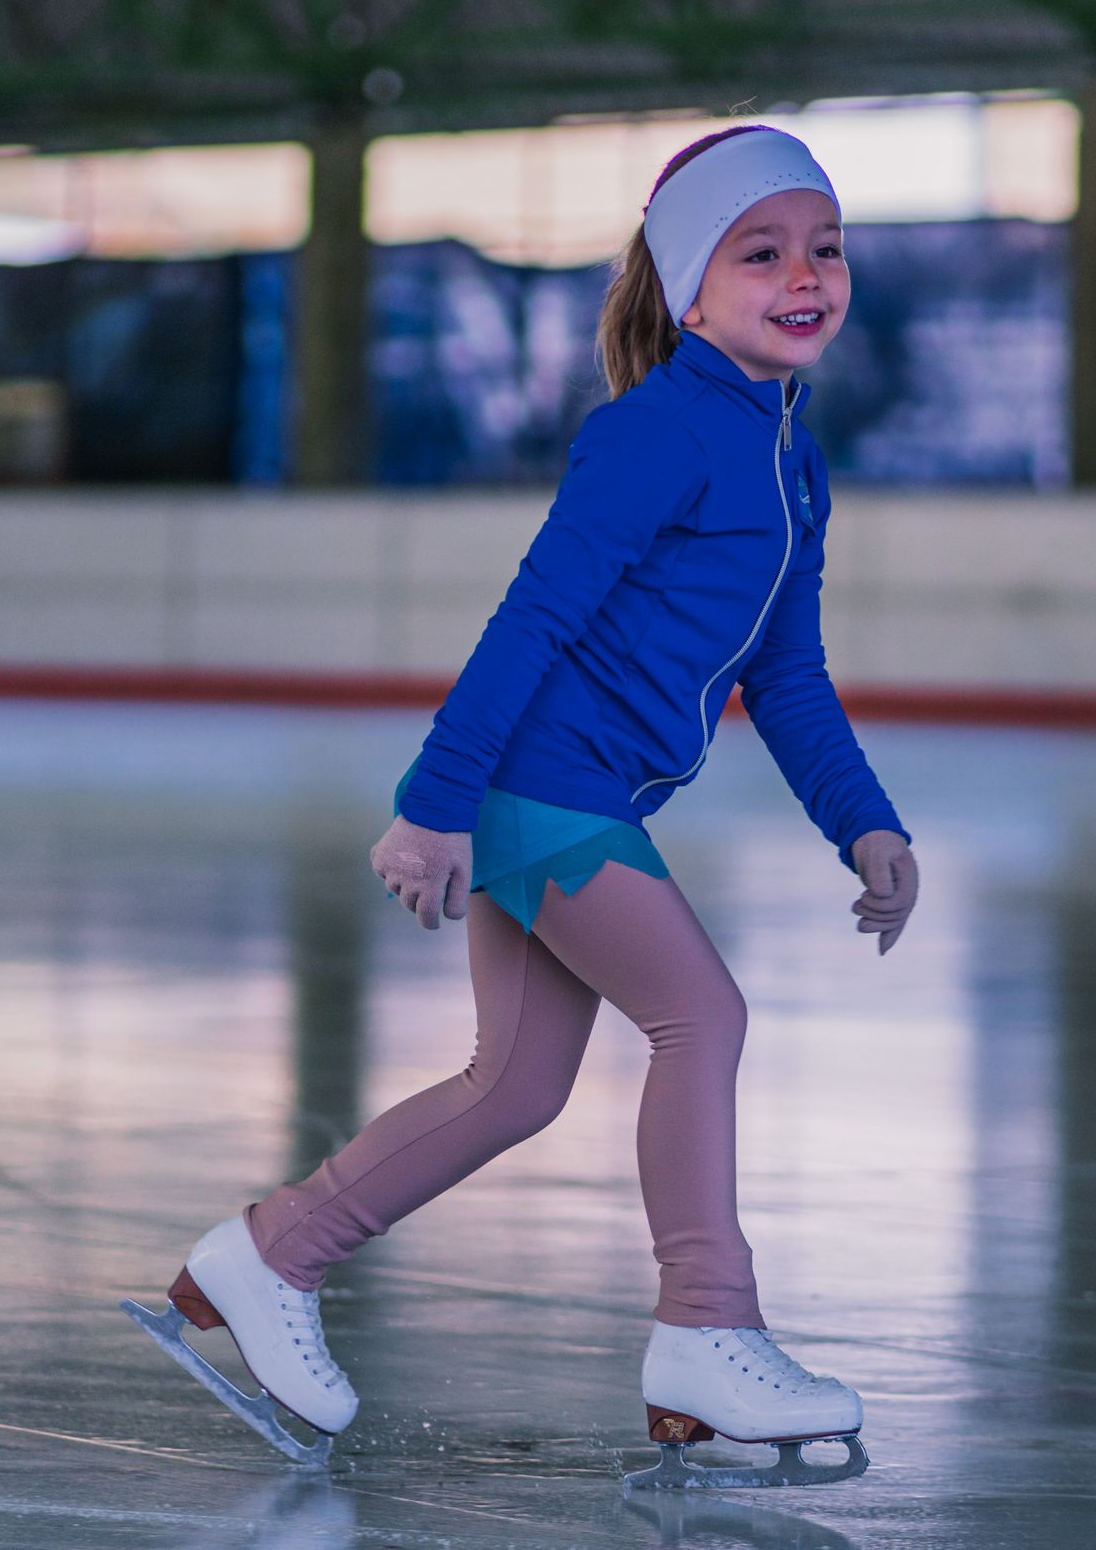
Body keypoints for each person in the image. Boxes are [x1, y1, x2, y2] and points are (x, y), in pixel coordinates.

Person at [125, 127, 919, 1488]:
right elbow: (534, 616)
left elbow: (785, 672)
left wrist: (864, 818)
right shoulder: (659, 429)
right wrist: (436, 803)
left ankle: (266, 1255)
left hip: (577, 791)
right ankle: (705, 1327)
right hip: (539, 787)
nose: (805, 275)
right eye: (763, 250)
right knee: (702, 1013)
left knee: (517, 1081)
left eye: (826, 248)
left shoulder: (791, 458)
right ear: (689, 290)